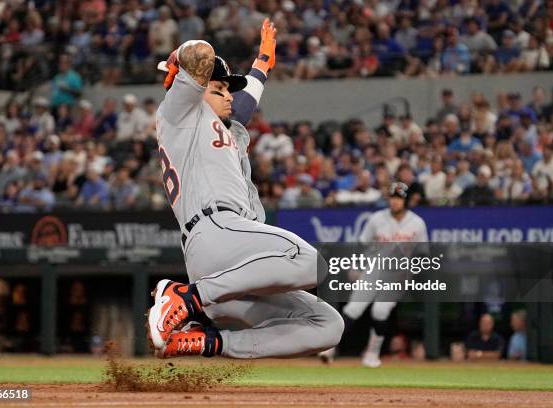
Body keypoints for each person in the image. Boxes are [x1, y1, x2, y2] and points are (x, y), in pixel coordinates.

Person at [147, 20, 343, 359]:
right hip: (216, 232)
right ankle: (186, 299)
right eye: (218, 88)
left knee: (327, 324)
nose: (228, 96)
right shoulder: (181, 113)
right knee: (310, 262)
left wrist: (263, 63)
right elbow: (200, 51)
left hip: (237, 263)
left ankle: (206, 340)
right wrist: (179, 59)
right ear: (192, 89)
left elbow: (246, 98)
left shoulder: (223, 125)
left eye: (228, 90)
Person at [319, 182, 428, 367]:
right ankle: (330, 347)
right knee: (353, 309)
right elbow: (361, 244)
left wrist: (412, 273)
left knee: (380, 311)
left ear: (406, 200)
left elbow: (422, 253)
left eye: (399, 198)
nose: (395, 202)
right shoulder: (377, 218)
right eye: (392, 197)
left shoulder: (417, 223)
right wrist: (354, 265)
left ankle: (372, 353)